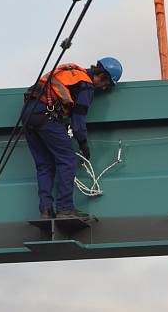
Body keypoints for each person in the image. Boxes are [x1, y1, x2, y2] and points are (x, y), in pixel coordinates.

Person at [21, 57, 122, 219]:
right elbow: (78, 120)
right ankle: (65, 208)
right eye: (107, 85)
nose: (104, 89)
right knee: (68, 160)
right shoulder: (86, 85)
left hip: (28, 115)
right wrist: (83, 142)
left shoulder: (71, 74)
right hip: (47, 116)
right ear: (103, 76)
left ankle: (46, 210)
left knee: (44, 165)